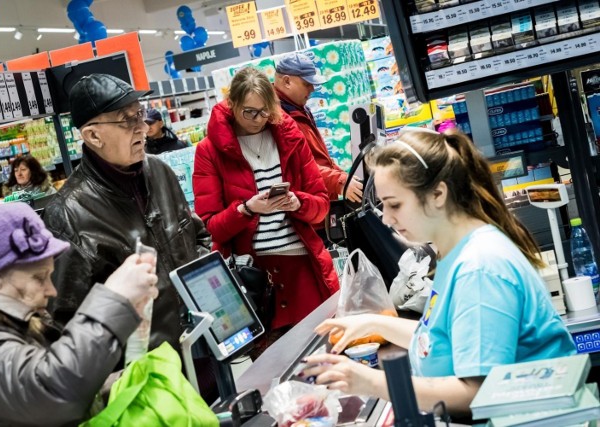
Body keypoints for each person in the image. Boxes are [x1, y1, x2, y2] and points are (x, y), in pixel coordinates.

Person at [302, 128, 576, 417]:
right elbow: (438, 338)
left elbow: (479, 392)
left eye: (395, 204)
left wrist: (370, 382)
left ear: (437, 195)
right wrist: (372, 324)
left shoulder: (479, 268)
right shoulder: (454, 252)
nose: (386, 218)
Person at [43, 74, 211, 366]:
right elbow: (66, 322)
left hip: (203, 347)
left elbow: (197, 237)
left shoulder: (160, 172)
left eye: (141, 114)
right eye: (126, 119)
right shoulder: (68, 214)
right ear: (93, 136)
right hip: (144, 377)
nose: (142, 127)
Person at [0, 203, 158, 426]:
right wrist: (115, 298)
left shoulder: (9, 326)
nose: (52, 291)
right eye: (39, 277)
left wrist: (123, 383)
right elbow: (48, 391)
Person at [193, 67, 339, 337]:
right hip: (255, 279)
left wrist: (298, 202)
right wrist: (246, 209)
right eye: (250, 112)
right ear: (232, 104)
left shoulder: (288, 135)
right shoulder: (209, 152)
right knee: (272, 373)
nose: (259, 119)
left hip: (305, 270)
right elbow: (209, 227)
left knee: (326, 360)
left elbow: (321, 207)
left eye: (266, 111)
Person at [273, 52, 363, 205]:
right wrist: (338, 180)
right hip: (306, 207)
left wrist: (342, 176)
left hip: (319, 202)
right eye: (307, 84)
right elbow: (298, 166)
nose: (312, 89)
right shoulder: (276, 117)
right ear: (287, 81)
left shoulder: (299, 109)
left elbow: (318, 157)